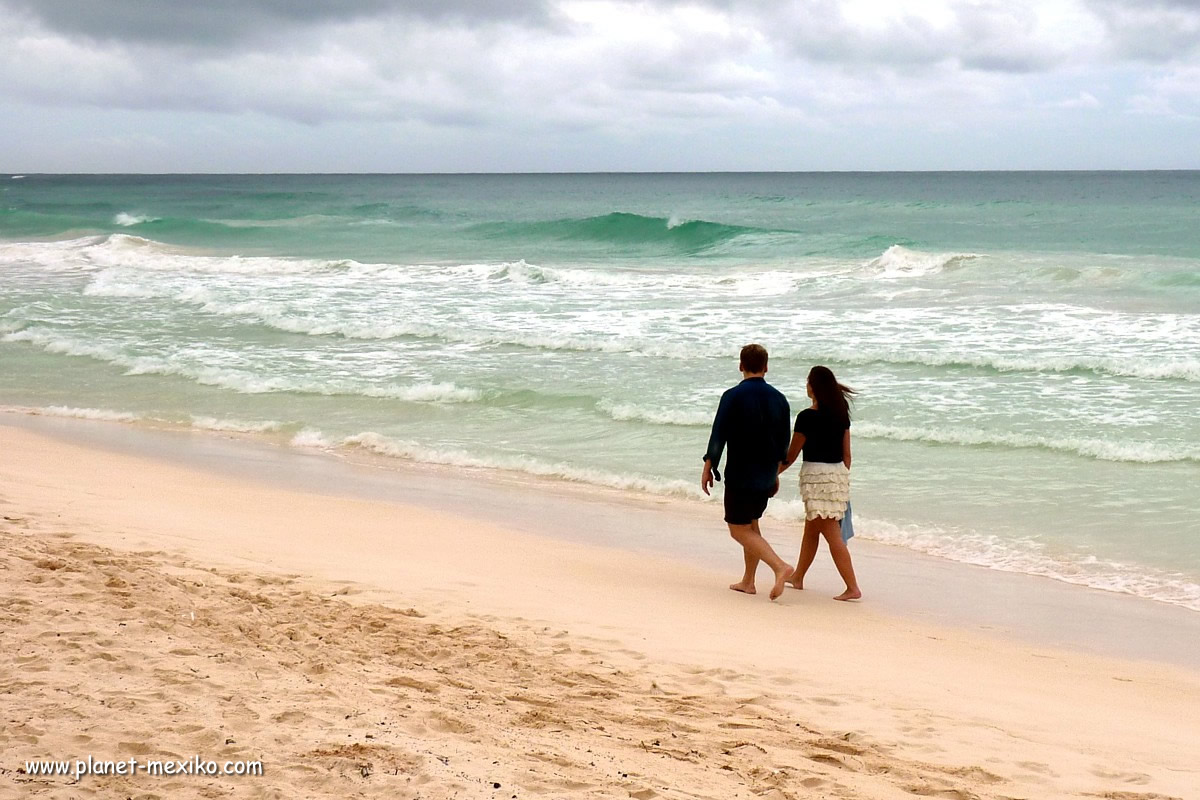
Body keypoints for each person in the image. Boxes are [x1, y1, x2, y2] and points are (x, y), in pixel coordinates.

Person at [701, 344, 795, 600]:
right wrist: (775, 473)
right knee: (751, 525)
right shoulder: (780, 399)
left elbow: (719, 433)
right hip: (765, 473)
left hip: (741, 472)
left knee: (738, 529)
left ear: (741, 366)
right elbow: (783, 442)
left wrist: (710, 465)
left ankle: (779, 566)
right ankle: (748, 581)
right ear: (766, 367)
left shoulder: (732, 396)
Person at [779, 365, 861, 601]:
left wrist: (773, 474)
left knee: (831, 534)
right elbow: (847, 456)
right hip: (836, 476)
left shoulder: (807, 417)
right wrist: (840, 479)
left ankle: (852, 586)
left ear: (814, 387)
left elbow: (791, 455)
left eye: (808, 382)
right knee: (811, 529)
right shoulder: (840, 415)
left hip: (817, 478)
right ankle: (798, 576)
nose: (806, 385)